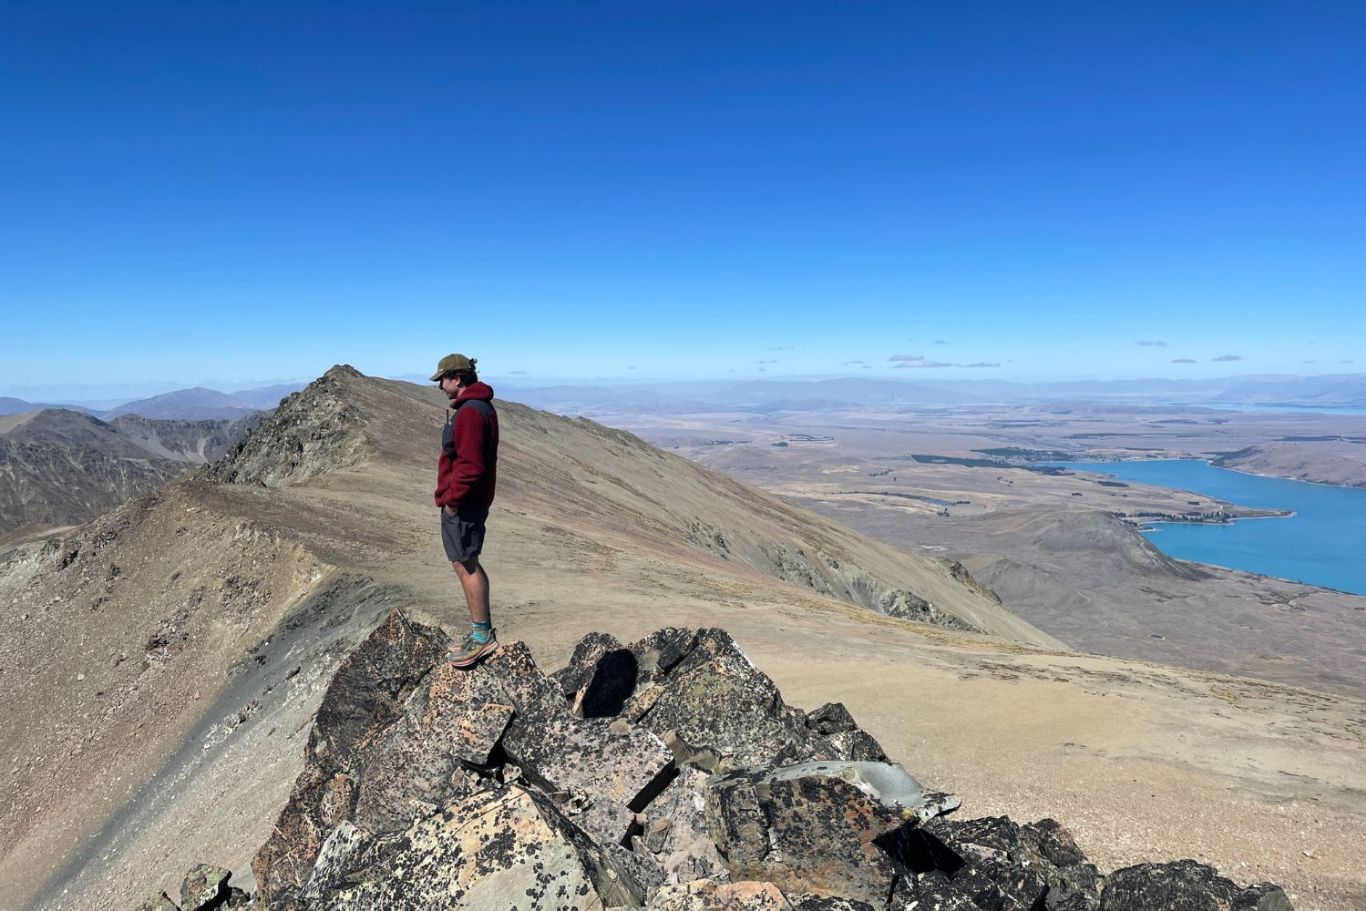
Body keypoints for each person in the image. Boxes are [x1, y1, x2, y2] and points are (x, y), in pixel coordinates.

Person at [430, 353, 500, 668]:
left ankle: (482, 637)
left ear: (457, 378)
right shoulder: (477, 407)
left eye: (443, 380)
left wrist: (453, 502)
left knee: (465, 563)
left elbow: (471, 467)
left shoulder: (471, 413)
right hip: (468, 502)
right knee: (465, 561)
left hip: (464, 505)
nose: (440, 386)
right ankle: (479, 632)